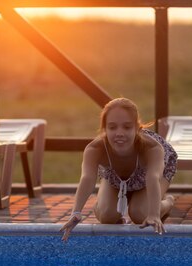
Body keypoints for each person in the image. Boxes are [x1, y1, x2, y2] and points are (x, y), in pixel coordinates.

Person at [60, 98, 177, 241]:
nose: (119, 133)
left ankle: (168, 202)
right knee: (107, 216)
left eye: (127, 127)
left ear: (137, 128)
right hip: (116, 176)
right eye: (112, 127)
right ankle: (118, 200)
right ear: (104, 129)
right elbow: (87, 178)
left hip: (152, 175)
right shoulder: (95, 149)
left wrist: (153, 214)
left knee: (140, 214)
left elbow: (153, 178)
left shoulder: (152, 148)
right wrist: (76, 212)